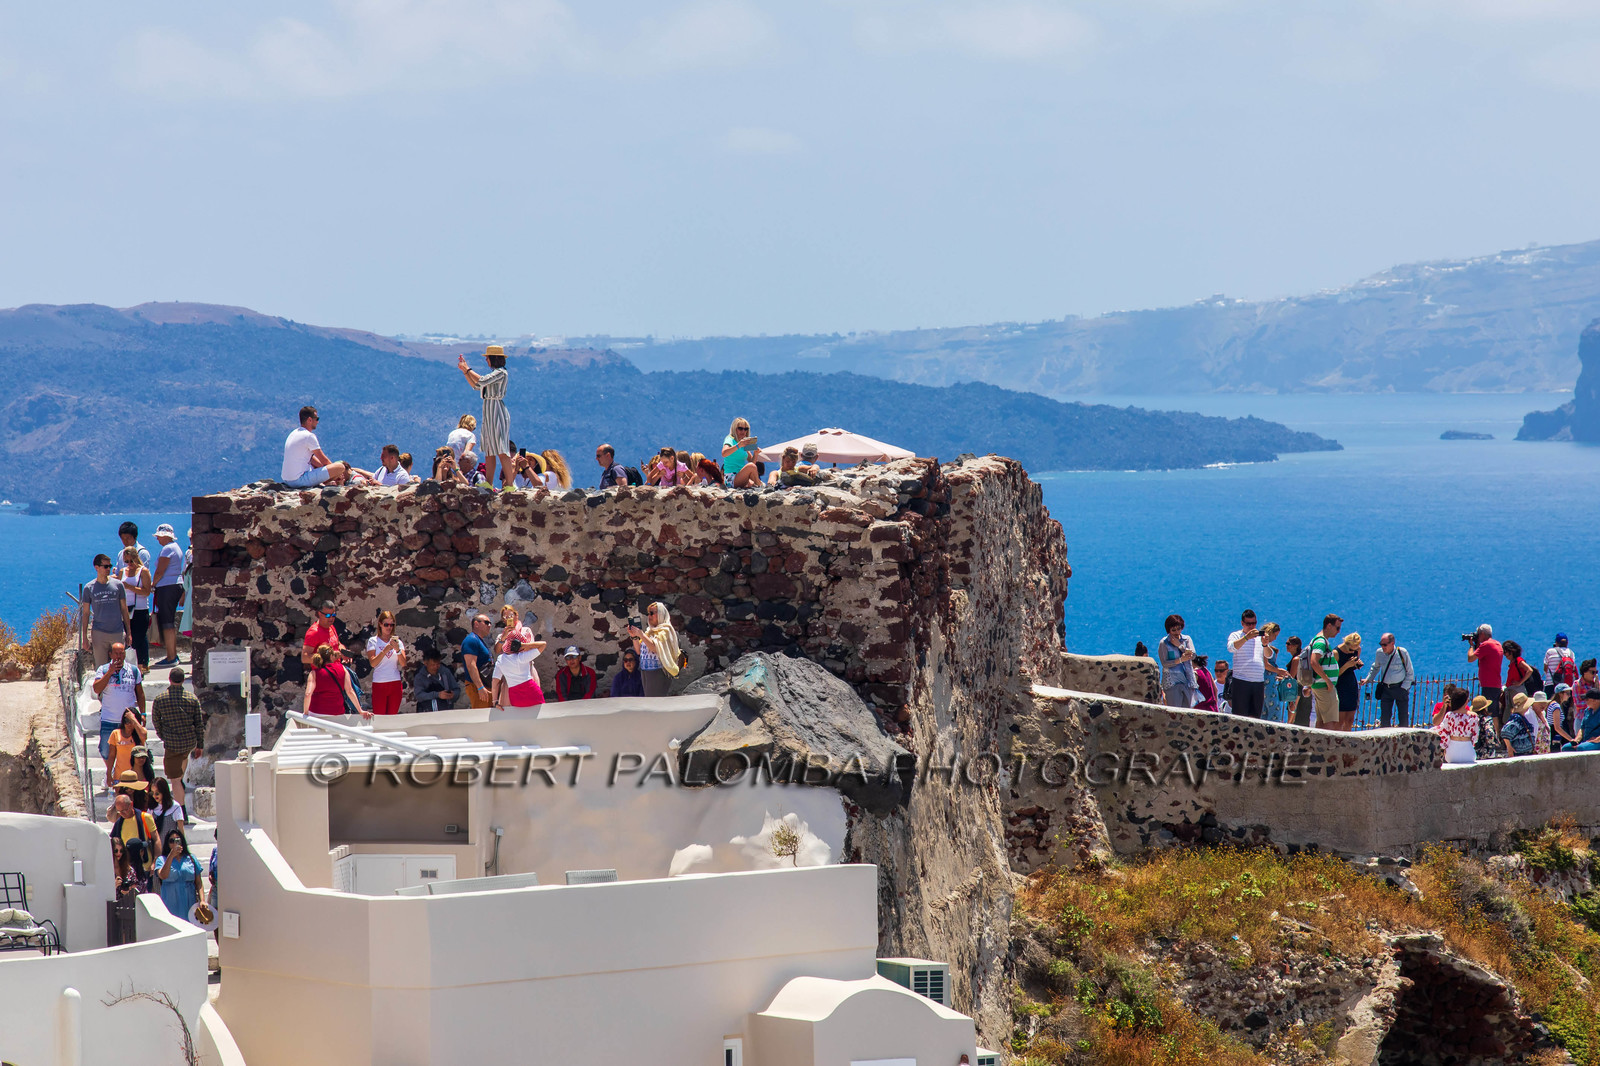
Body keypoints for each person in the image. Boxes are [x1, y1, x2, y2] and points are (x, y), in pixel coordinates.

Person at [457, 346, 512, 489]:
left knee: (501, 448)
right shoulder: (495, 375)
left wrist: (468, 369)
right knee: (489, 448)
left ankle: (510, 484)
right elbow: (476, 386)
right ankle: (489, 482)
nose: (486, 360)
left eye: (487, 358)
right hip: (488, 411)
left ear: (493, 358)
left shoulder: (501, 373)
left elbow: (481, 380)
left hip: (497, 412)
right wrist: (465, 372)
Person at [93, 644, 145, 794]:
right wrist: (109, 672)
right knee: (105, 749)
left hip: (128, 720)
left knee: (131, 750)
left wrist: (143, 714)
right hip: (109, 718)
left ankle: (126, 777)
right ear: (110, 654)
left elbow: (140, 693)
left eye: (121, 653)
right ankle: (111, 772)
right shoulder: (102, 670)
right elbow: (97, 689)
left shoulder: (133, 670)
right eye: (115, 653)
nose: (118, 656)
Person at [151, 666, 204, 808]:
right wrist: (200, 745)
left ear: (169, 679)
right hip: (189, 742)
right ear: (183, 680)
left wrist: (163, 736)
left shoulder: (160, 699)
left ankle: (181, 810)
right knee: (181, 763)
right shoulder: (192, 699)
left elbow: (156, 721)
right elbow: (199, 723)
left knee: (174, 780)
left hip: (172, 743)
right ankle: (180, 784)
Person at [281, 405, 355, 487]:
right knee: (340, 467)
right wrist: (337, 473)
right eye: (317, 419)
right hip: (299, 480)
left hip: (287, 480)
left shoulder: (293, 434)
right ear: (310, 419)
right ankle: (326, 483)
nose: (318, 421)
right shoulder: (309, 436)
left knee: (320, 467)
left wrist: (325, 471)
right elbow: (324, 460)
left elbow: (313, 460)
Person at [83, 554, 132, 667]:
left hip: (117, 632)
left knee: (119, 666)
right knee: (101, 668)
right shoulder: (89, 588)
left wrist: (128, 632)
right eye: (105, 566)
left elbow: (124, 609)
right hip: (99, 633)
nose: (108, 569)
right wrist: (84, 637)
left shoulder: (118, 585)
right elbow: (85, 613)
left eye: (110, 566)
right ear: (97, 567)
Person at [628, 601, 681, 697]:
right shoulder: (650, 632)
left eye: (652, 613)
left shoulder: (666, 630)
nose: (649, 616)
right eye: (648, 613)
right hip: (646, 670)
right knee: (650, 700)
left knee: (655, 701)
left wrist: (641, 634)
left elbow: (655, 648)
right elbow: (639, 651)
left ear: (660, 614)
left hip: (658, 671)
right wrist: (635, 637)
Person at [303, 644, 371, 719]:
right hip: (337, 713)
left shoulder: (314, 673)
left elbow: (308, 694)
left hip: (316, 713)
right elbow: (350, 691)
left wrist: (306, 712)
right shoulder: (342, 669)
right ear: (332, 656)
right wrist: (360, 710)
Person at [1361, 632, 1414, 728]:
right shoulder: (1379, 653)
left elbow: (1410, 672)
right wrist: (1368, 679)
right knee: (1385, 719)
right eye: (1381, 644)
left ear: (1392, 643)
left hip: (1400, 688)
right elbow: (1375, 667)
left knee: (1403, 718)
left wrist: (1404, 688)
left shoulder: (1402, 652)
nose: (1383, 647)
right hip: (1386, 689)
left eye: (1385, 645)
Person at [150, 524, 185, 667]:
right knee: (169, 621)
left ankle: (171, 656)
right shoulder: (176, 548)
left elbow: (160, 571)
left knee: (167, 622)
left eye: (159, 535)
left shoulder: (167, 549)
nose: (157, 538)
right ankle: (172, 654)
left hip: (167, 587)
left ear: (165, 535)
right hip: (175, 585)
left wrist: (152, 584)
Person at [113, 545, 153, 669]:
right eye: (126, 561)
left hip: (140, 609)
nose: (129, 564)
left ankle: (142, 665)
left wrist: (130, 587)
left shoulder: (143, 571)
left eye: (131, 561)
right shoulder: (122, 572)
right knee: (129, 638)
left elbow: (147, 591)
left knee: (139, 637)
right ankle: (134, 665)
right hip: (126, 609)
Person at [152, 828, 204, 923]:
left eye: (178, 840)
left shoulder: (191, 858)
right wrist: (171, 856)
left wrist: (202, 900)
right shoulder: (162, 860)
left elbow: (199, 882)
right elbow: (163, 875)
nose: (174, 843)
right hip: (171, 903)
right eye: (171, 841)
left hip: (189, 902)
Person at [1224, 610, 1269, 718]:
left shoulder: (1260, 637)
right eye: (1248, 624)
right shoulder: (1236, 635)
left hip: (1258, 681)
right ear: (1242, 623)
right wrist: (1246, 638)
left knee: (1255, 716)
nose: (1251, 626)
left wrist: (1265, 644)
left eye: (1254, 623)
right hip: (1241, 680)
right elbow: (1231, 648)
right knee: (1240, 716)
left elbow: (1268, 655)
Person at [108, 793, 159, 882]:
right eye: (120, 811)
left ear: (131, 804)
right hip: (126, 869)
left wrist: (156, 862)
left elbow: (156, 839)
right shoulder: (119, 823)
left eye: (125, 810)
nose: (122, 814)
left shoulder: (145, 818)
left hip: (145, 867)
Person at [365, 610, 408, 715]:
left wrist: (397, 650)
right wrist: (385, 650)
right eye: (386, 624)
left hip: (395, 682)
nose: (389, 627)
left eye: (391, 625)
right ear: (380, 624)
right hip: (380, 683)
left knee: (392, 716)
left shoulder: (398, 642)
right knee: (380, 716)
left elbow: (403, 664)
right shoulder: (373, 641)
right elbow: (373, 663)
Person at [1466, 623, 1505, 725]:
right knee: (1494, 713)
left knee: (1489, 713)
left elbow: (1471, 658)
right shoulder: (1497, 644)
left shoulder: (1486, 645)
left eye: (1478, 634)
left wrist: (1471, 646)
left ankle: (1493, 736)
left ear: (1482, 634)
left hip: (1488, 684)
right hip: (1496, 683)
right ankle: (1496, 736)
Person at [1157, 614, 1198, 708]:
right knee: (1175, 710)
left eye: (1179, 629)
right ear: (1169, 630)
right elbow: (1165, 663)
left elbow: (1193, 655)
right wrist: (1180, 660)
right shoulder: (1164, 643)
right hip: (1172, 682)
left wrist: (1180, 646)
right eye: (1173, 630)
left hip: (1187, 680)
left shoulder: (1186, 639)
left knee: (1187, 710)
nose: (1177, 632)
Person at [494, 636, 547, 709]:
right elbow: (543, 644)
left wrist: (495, 702)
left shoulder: (500, 660)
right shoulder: (522, 657)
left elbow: (495, 681)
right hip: (531, 690)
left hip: (514, 694)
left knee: (519, 718)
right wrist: (526, 645)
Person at [1433, 689, 1479, 764]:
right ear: (1465, 701)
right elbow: (1475, 738)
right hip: (1468, 752)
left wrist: (1445, 747)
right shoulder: (1474, 716)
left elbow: (1443, 732)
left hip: (1452, 752)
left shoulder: (1449, 715)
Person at [462, 614, 496, 708]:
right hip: (478, 687)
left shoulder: (479, 640)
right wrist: (480, 687)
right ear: (476, 624)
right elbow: (471, 665)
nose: (489, 625)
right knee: (482, 718)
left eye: (490, 623)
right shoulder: (471, 640)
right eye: (486, 622)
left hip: (486, 686)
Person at [1334, 632, 1363, 731]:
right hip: (1340, 685)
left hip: (1351, 684)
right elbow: (1334, 675)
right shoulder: (1336, 653)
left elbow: (1353, 665)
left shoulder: (1357, 650)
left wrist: (1356, 664)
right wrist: (1347, 665)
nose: (1352, 651)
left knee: (1350, 719)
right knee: (1340, 720)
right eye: (1351, 649)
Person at [721, 418, 761, 489]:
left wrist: (755, 454)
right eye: (740, 428)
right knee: (751, 467)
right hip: (731, 477)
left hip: (740, 476)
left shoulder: (743, 443)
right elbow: (724, 453)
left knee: (752, 468)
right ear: (734, 429)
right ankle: (761, 487)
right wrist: (738, 445)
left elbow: (752, 462)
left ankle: (760, 485)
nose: (743, 431)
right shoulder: (730, 439)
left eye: (746, 429)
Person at [108, 708, 146, 781]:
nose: (129, 724)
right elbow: (111, 755)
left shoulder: (140, 733)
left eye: (131, 721)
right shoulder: (115, 733)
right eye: (126, 721)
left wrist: (133, 719)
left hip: (137, 776)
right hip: (120, 776)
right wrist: (108, 774)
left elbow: (144, 736)